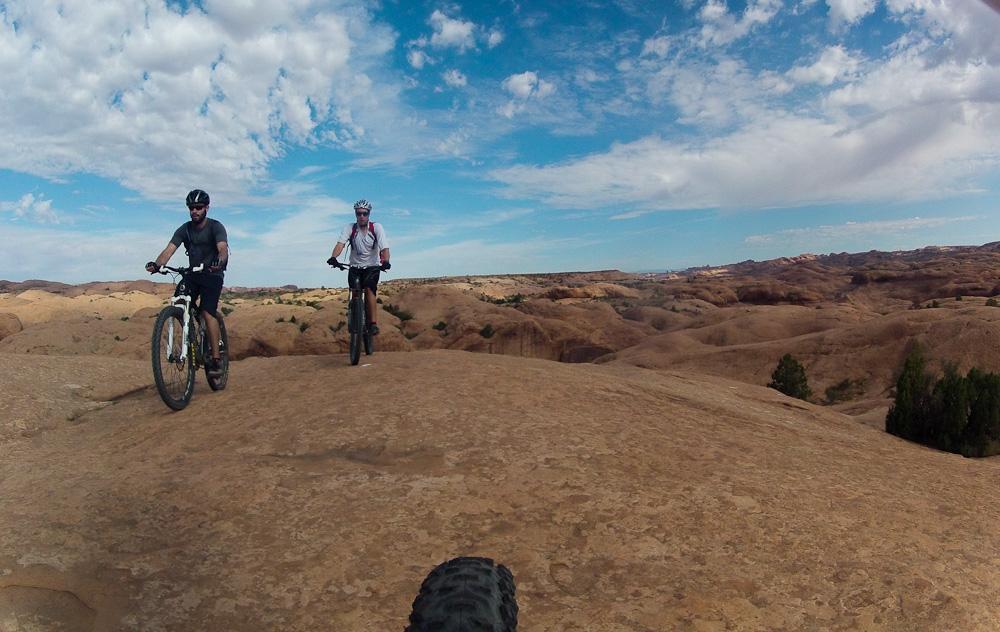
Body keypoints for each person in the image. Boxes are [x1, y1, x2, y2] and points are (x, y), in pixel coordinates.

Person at [146, 189, 229, 374]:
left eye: (199, 207)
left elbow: (222, 248)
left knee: (208, 313)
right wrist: (157, 264)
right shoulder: (185, 229)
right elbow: (169, 250)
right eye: (191, 208)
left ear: (207, 208)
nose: (195, 211)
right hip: (193, 273)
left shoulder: (216, 227)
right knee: (180, 301)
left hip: (212, 274)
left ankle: (216, 360)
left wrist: (219, 261)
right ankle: (189, 337)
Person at [327, 199, 391, 335]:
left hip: (372, 267)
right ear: (355, 214)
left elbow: (384, 247)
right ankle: (355, 320)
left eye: (364, 213)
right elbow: (340, 244)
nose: (362, 216)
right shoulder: (350, 228)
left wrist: (385, 261)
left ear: (369, 214)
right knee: (355, 293)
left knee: (369, 290)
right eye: (359, 213)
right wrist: (333, 257)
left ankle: (373, 324)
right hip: (355, 266)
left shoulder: (376, 227)